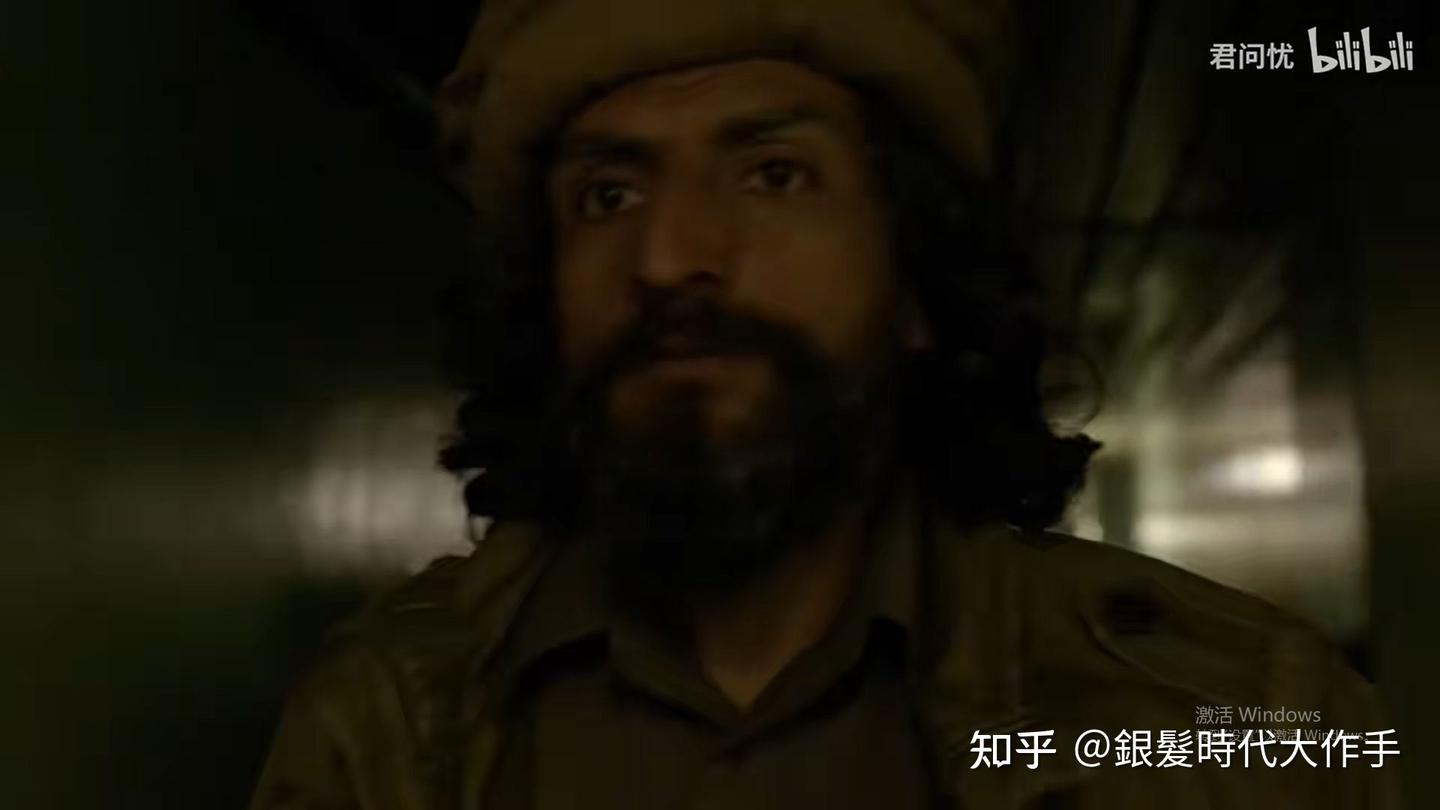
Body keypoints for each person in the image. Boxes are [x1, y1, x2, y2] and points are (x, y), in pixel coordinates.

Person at [249, 1, 1398, 807]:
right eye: (608, 195)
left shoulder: (1237, 722)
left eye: (774, 175)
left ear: (915, 282)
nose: (672, 257)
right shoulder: (385, 728)